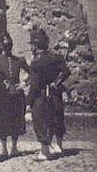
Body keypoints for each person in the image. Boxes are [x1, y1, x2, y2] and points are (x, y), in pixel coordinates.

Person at [27, 28, 72, 161]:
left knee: (40, 121)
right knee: (54, 119)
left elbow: (34, 84)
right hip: (53, 94)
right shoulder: (55, 57)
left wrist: (28, 101)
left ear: (35, 46)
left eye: (32, 45)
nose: (31, 48)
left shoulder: (37, 62)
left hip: (40, 96)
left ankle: (45, 151)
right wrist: (57, 82)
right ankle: (57, 145)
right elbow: (66, 71)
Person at [0, 31, 30, 159]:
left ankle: (14, 147)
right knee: (2, 121)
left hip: (16, 95)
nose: (7, 48)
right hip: (3, 96)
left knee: (16, 121)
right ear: (1, 46)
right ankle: (4, 149)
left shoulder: (19, 60)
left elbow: (32, 73)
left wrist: (24, 83)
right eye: (5, 45)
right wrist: (1, 83)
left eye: (9, 45)